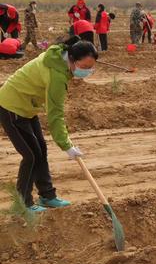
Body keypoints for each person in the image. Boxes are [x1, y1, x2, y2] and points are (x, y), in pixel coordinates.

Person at [0, 37, 98, 212]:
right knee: (30, 155)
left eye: (91, 67)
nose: (87, 71)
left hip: (27, 106)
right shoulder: (57, 76)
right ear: (73, 60)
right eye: (84, 67)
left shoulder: (58, 55)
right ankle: (23, 204)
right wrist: (66, 145)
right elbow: (55, 115)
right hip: (11, 106)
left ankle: (47, 196)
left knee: (41, 150)